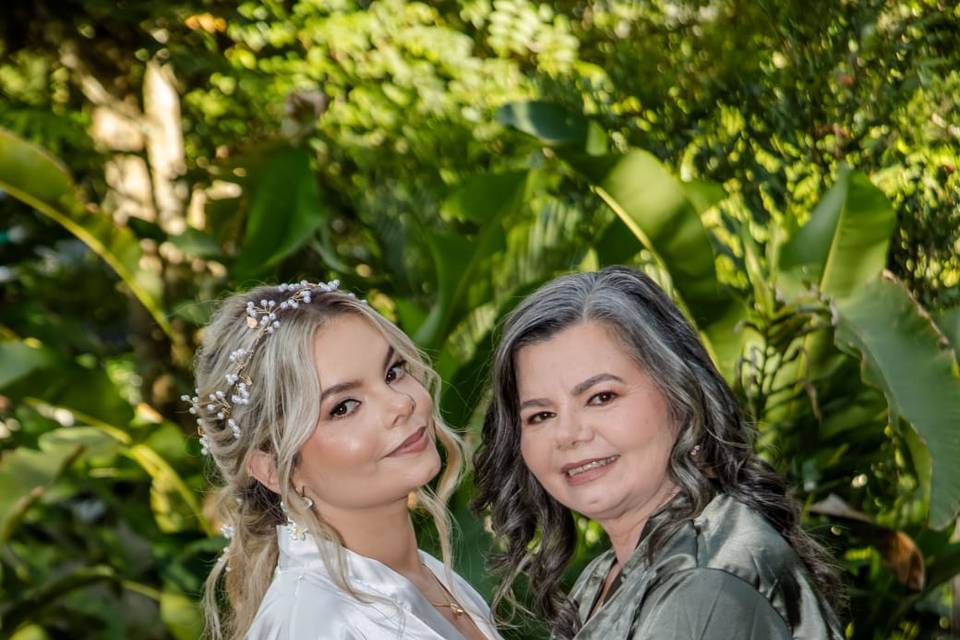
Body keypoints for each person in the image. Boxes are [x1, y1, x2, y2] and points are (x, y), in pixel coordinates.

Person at [473, 266, 845, 639]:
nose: (568, 434)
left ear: (681, 396)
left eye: (601, 397)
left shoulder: (703, 582)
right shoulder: (613, 573)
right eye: (541, 415)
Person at [188, 279, 500, 640]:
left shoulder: (423, 576)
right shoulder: (320, 624)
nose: (402, 404)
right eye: (344, 407)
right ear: (272, 469)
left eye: (393, 372)